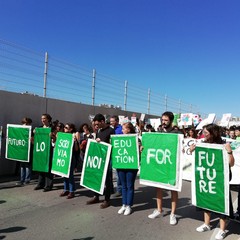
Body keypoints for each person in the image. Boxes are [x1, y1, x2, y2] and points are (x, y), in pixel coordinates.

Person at [190, 123, 234, 240]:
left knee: (221, 200)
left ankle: (222, 230)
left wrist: (229, 152)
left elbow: (231, 164)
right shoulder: (203, 144)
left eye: (206, 133)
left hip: (221, 178)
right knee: (207, 198)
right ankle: (207, 224)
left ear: (213, 133)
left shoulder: (223, 145)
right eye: (203, 132)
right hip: (207, 177)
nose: (203, 135)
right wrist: (191, 150)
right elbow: (193, 157)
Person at [148, 111, 182, 225]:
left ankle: (172, 214)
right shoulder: (159, 132)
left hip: (172, 166)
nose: (163, 122)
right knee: (158, 187)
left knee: (173, 189)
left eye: (166, 120)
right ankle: (159, 209)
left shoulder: (177, 133)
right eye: (162, 120)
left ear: (171, 121)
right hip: (160, 165)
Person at [86, 113, 115, 209]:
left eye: (98, 124)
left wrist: (102, 142)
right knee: (97, 177)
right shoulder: (99, 131)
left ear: (103, 121)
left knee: (107, 180)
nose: (96, 126)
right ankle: (96, 196)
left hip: (107, 159)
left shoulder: (111, 131)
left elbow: (113, 145)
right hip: (99, 159)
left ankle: (107, 199)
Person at [117, 122, 139, 216]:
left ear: (129, 130)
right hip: (121, 165)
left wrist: (140, 147)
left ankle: (129, 205)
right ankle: (124, 204)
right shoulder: (118, 139)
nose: (122, 130)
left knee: (129, 185)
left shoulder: (136, 139)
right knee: (123, 185)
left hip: (131, 166)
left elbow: (140, 150)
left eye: (123, 128)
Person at [34, 113, 54, 192]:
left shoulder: (52, 128)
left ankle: (48, 185)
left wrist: (52, 136)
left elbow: (55, 138)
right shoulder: (39, 128)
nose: (42, 120)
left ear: (48, 119)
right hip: (41, 151)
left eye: (44, 118)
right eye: (42, 118)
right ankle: (40, 184)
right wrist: (34, 132)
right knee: (41, 167)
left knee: (48, 168)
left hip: (49, 151)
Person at [59, 123, 80, 199]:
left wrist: (75, 141)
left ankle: (72, 191)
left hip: (71, 158)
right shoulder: (63, 136)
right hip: (64, 157)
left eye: (66, 127)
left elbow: (77, 149)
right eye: (64, 127)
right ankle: (66, 189)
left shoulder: (73, 136)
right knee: (64, 173)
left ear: (71, 129)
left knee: (70, 175)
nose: (65, 128)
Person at [16, 117, 33, 186]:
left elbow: (33, 142)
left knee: (27, 166)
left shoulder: (31, 131)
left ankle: (27, 179)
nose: (25, 125)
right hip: (21, 151)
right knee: (22, 166)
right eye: (24, 123)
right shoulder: (20, 130)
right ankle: (22, 179)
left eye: (27, 123)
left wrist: (31, 140)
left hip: (28, 151)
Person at [110, 115, 123, 197]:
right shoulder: (111, 129)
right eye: (110, 121)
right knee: (113, 173)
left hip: (119, 154)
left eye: (112, 121)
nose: (111, 123)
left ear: (117, 121)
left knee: (118, 174)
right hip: (113, 154)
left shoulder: (120, 129)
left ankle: (119, 190)